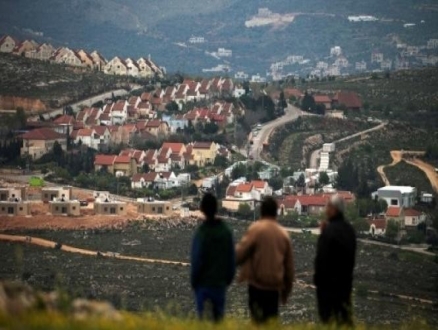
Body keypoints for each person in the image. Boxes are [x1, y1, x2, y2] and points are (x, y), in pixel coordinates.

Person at [236, 197, 295, 324]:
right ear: (276, 212)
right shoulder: (283, 234)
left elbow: (240, 253)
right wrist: (286, 292)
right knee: (270, 323)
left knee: (257, 322)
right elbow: (289, 268)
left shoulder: (256, 229)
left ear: (261, 211)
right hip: (274, 290)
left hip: (256, 287)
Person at [190, 193, 235, 322]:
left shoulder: (201, 232)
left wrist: (194, 281)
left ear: (202, 209)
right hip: (219, 285)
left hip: (203, 285)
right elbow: (231, 260)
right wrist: (227, 280)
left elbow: (196, 260)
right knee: (218, 320)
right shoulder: (226, 231)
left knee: (203, 320)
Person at [314, 194, 357, 326]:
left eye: (328, 206)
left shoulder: (329, 232)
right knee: (344, 320)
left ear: (334, 209)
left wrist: (318, 281)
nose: (326, 209)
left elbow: (321, 259)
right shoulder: (350, 230)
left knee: (328, 321)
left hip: (328, 287)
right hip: (345, 285)